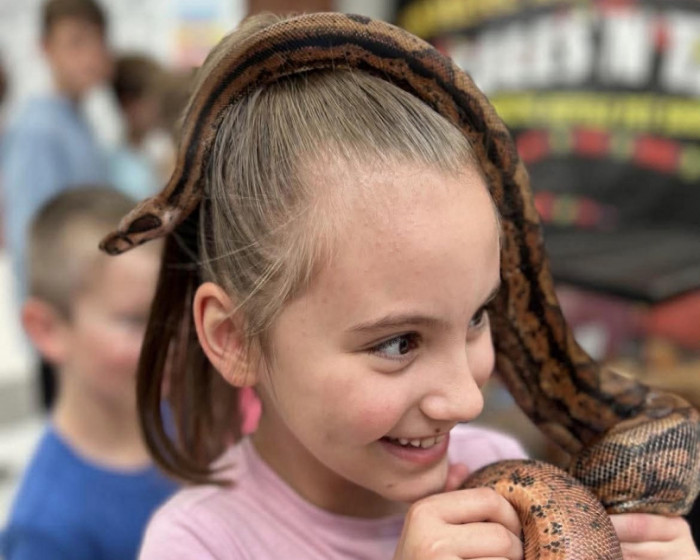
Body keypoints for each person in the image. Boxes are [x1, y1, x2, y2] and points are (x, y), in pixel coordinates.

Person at [124, 13, 698, 560]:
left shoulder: (496, 466)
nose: (469, 402)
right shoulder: (196, 543)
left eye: (478, 317)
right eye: (398, 343)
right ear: (235, 338)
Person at [0, 187, 178, 560]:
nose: (170, 340)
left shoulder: (185, 423)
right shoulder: (45, 532)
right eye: (137, 320)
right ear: (47, 329)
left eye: (171, 312)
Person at [0, 0, 112, 409]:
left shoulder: (78, 122)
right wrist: (58, 329)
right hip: (65, 326)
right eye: (75, 43)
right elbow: (33, 237)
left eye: (97, 42)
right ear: (45, 49)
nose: (89, 55)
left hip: (90, 316)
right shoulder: (39, 129)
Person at [109, 53, 165, 200]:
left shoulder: (147, 155)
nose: (159, 107)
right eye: (154, 97)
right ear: (130, 104)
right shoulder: (122, 170)